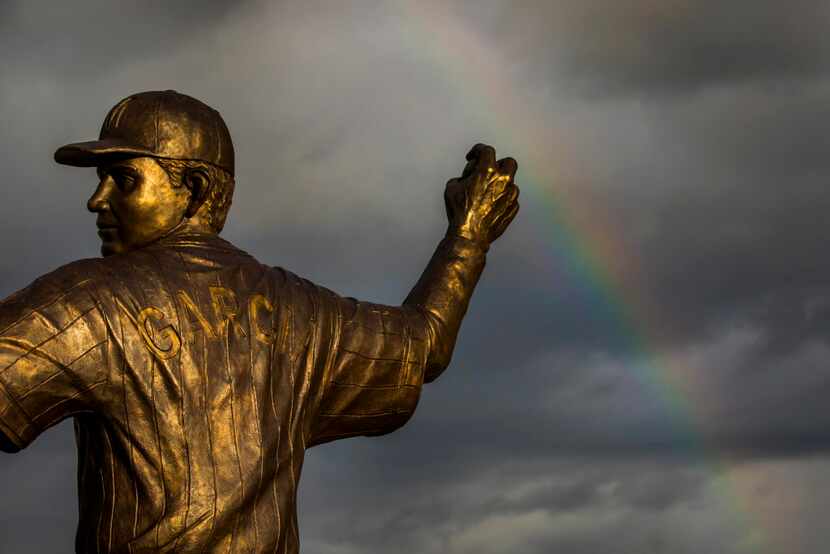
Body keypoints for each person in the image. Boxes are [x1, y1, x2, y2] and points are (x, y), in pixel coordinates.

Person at [0, 90, 519, 552]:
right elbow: (422, 344)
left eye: (124, 179)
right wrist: (468, 236)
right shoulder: (306, 317)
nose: (98, 200)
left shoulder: (90, 302)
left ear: (196, 191)